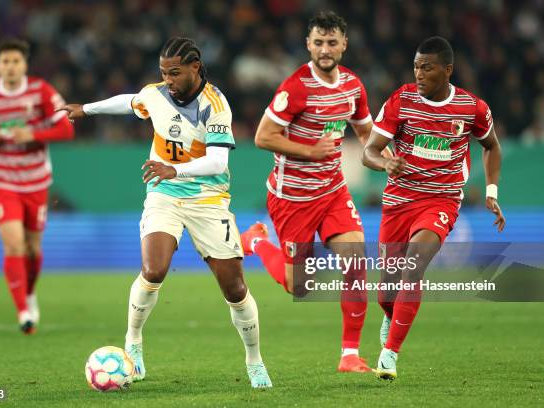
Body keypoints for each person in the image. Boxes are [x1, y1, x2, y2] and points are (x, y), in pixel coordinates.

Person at [59, 37, 272, 388]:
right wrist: (86, 109)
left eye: (174, 73)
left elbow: (218, 161)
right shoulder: (156, 94)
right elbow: (129, 102)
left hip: (207, 198)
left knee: (234, 288)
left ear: (195, 68)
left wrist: (177, 169)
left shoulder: (216, 105)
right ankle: (134, 341)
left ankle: (254, 360)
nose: (168, 79)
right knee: (153, 269)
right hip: (164, 194)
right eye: (163, 72)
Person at [240, 11, 389, 373]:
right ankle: (256, 241)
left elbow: (367, 136)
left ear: (344, 44)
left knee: (355, 260)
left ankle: (349, 355)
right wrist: (310, 151)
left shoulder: (353, 86)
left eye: (332, 42)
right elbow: (263, 137)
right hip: (293, 198)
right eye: (319, 42)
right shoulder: (295, 87)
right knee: (299, 287)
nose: (325, 49)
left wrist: (387, 161)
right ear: (308, 44)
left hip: (333, 191)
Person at [362, 36, 505, 380]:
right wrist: (385, 164)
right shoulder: (401, 100)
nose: (419, 73)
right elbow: (369, 152)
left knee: (413, 268)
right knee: (387, 289)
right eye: (416, 67)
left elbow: (492, 146)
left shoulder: (473, 108)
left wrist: (490, 190)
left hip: (441, 200)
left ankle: (389, 355)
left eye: (427, 67)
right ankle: (389, 314)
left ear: (448, 70)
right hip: (399, 200)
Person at [0, 39, 74, 334]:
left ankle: (29, 292)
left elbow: (66, 127)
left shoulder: (41, 91)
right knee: (13, 243)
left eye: (16, 61)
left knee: (32, 247)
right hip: (2, 180)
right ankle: (24, 311)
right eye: (5, 62)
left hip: (36, 181)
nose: (10, 67)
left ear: (24, 65)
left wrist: (32, 133)